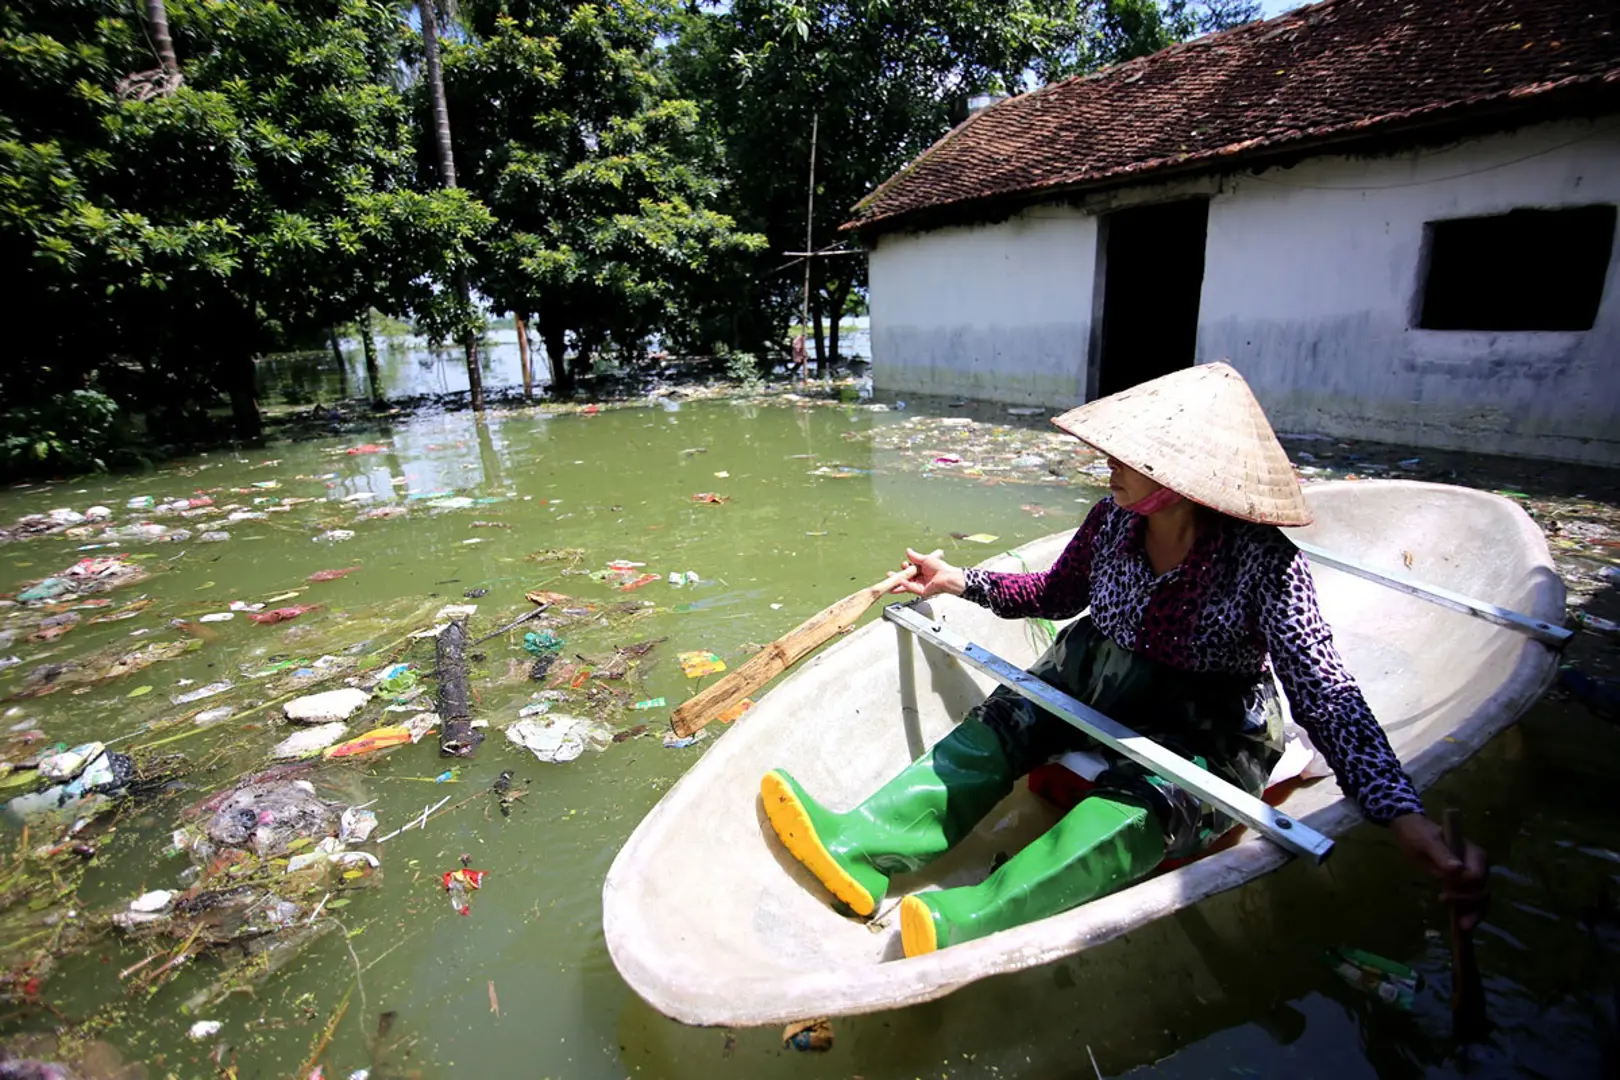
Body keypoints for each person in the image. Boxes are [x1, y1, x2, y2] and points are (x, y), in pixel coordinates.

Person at [759, 362, 1488, 958]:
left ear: (1178, 478)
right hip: (1098, 673)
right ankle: (860, 847)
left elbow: (1324, 693)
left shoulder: (1265, 564)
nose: (1107, 466)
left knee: (1146, 805)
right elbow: (1055, 591)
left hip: (1206, 726)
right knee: (1009, 715)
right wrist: (960, 582)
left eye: (1128, 458)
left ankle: (970, 918)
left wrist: (1400, 813)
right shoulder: (1111, 521)